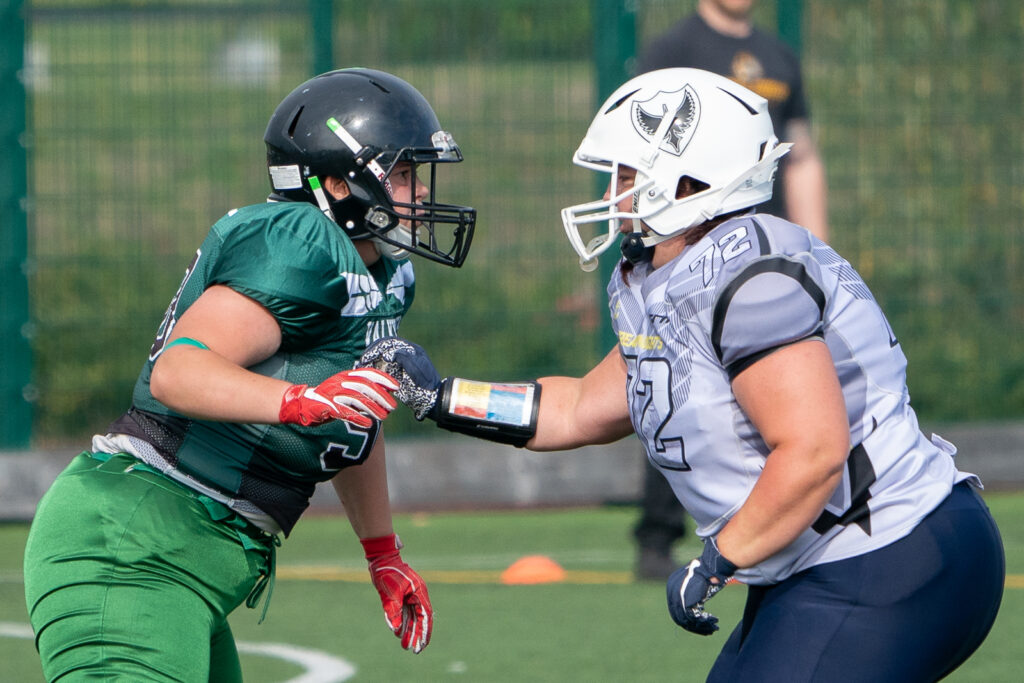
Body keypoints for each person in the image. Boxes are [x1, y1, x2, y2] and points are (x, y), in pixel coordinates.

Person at [361, 68, 1005, 681]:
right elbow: (580, 408)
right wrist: (442, 397)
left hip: (891, 552)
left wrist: (722, 558)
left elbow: (812, 450)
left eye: (626, 173)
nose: (611, 193)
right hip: (830, 561)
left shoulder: (744, 274)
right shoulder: (670, 275)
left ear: (691, 182)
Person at [23, 68, 477, 681]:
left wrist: (382, 551)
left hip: (185, 555)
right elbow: (178, 372)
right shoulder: (300, 241)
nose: (419, 195)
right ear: (340, 185)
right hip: (136, 543)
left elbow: (351, 417)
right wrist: (299, 401)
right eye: (401, 174)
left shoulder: (384, 275)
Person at [632, 0, 831, 579]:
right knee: (679, 392)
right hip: (692, 251)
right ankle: (657, 536)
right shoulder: (673, 51)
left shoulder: (778, 55)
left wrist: (815, 249)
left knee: (780, 403)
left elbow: (801, 158)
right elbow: (643, 160)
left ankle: (785, 530)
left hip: (760, 262)